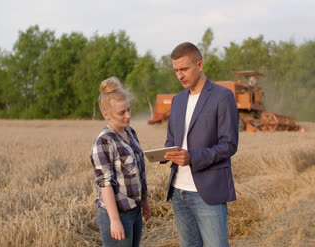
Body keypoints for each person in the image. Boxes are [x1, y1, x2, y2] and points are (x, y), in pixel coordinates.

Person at [163, 42, 239, 247]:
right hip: (178, 191)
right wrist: (167, 152)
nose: (180, 75)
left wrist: (192, 158)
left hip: (208, 192)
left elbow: (229, 144)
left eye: (184, 69)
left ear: (200, 65)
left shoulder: (222, 96)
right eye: (176, 70)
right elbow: (171, 140)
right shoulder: (177, 101)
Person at [90, 76, 151, 247]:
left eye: (129, 110)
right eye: (122, 112)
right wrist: (114, 220)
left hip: (135, 211)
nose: (128, 116)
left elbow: (139, 171)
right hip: (117, 214)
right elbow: (105, 184)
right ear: (106, 114)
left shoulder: (130, 132)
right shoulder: (104, 141)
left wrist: (144, 201)